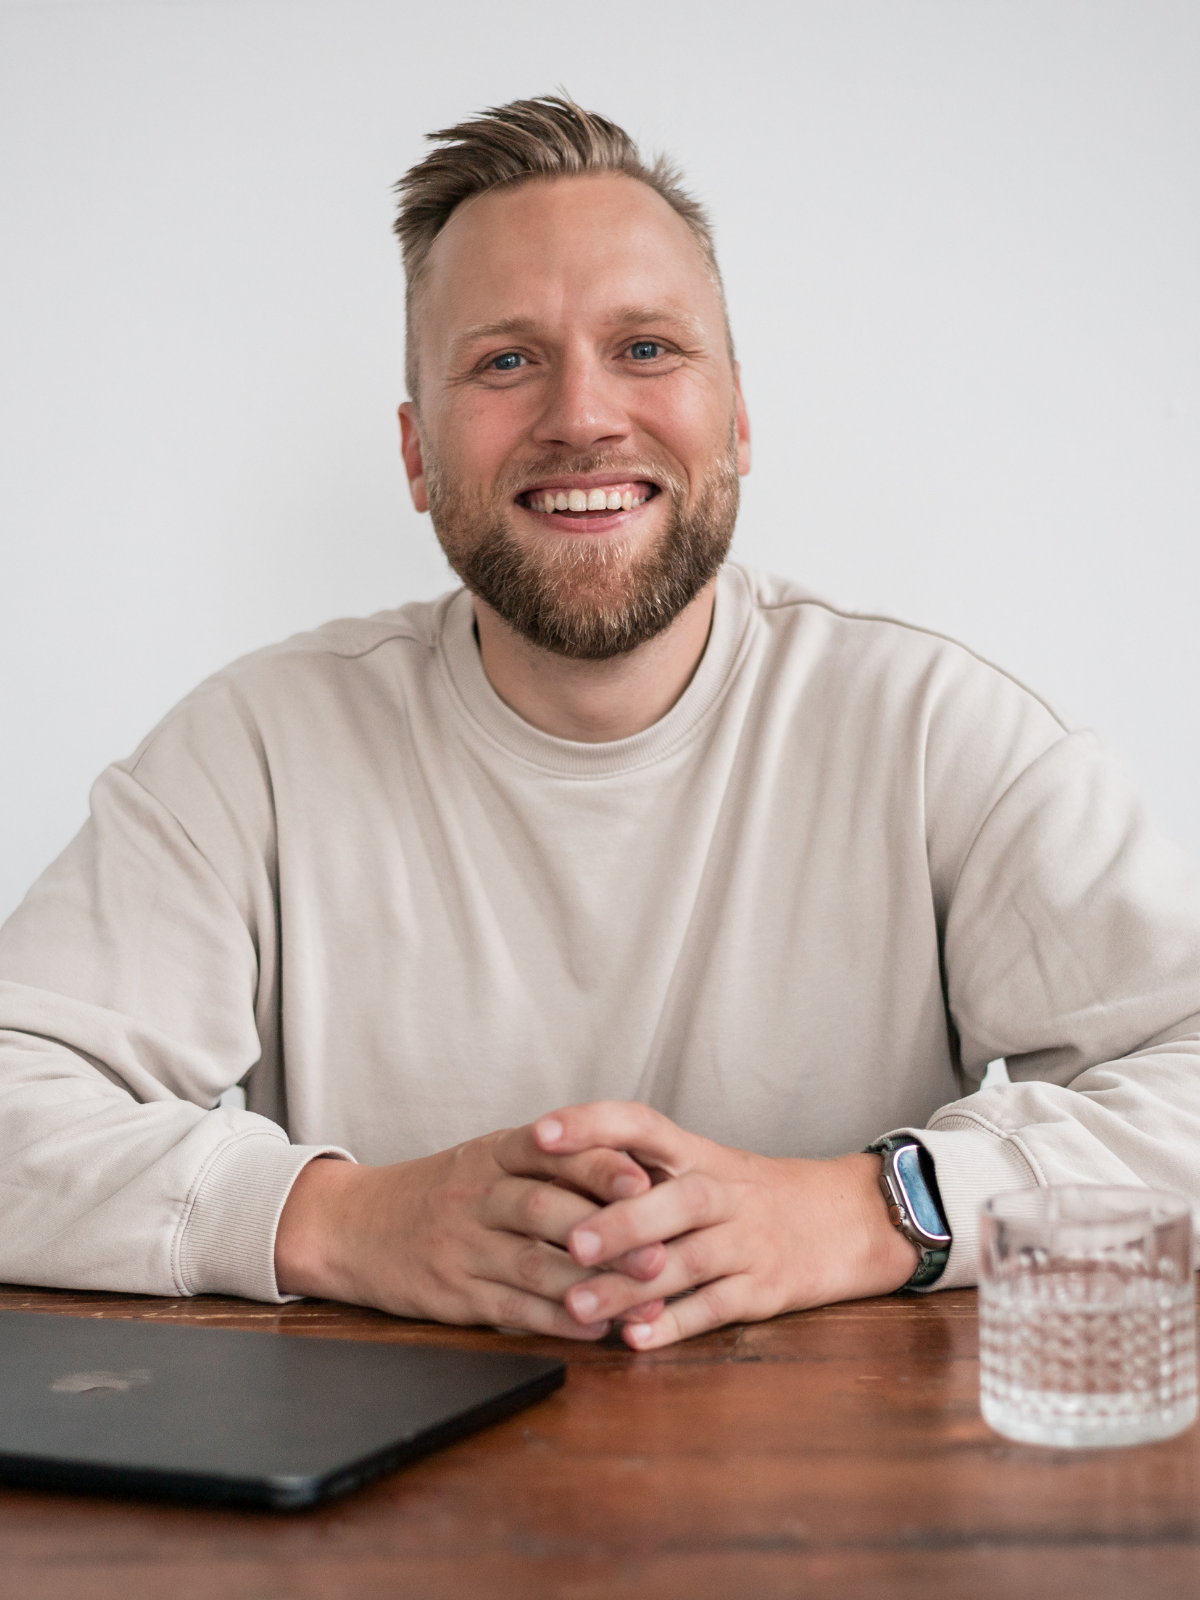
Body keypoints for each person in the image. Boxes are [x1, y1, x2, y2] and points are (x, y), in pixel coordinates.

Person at [3, 96, 1199, 1353]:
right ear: (416, 455)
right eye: (507, 360)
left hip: (848, 1517)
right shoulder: (247, 752)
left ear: (737, 417)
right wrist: (338, 1217)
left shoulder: (934, 729)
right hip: (368, 1525)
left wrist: (872, 1208)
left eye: (645, 348)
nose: (582, 415)